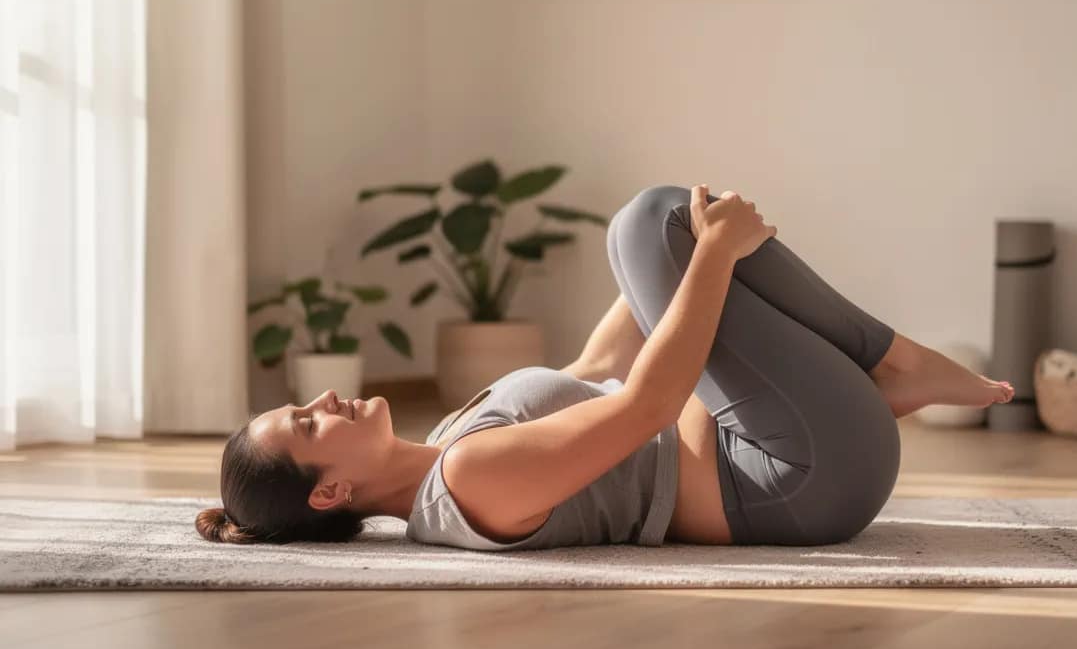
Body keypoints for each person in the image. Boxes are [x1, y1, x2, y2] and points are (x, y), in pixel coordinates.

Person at [196, 185, 1013, 549]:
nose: (323, 399)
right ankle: (893, 361)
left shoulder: (450, 440)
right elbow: (646, 407)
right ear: (330, 494)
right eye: (307, 424)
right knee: (655, 222)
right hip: (799, 477)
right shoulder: (468, 484)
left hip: (788, 442)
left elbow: (598, 366)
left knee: (651, 225)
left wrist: (665, 264)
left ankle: (892, 368)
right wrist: (712, 256)